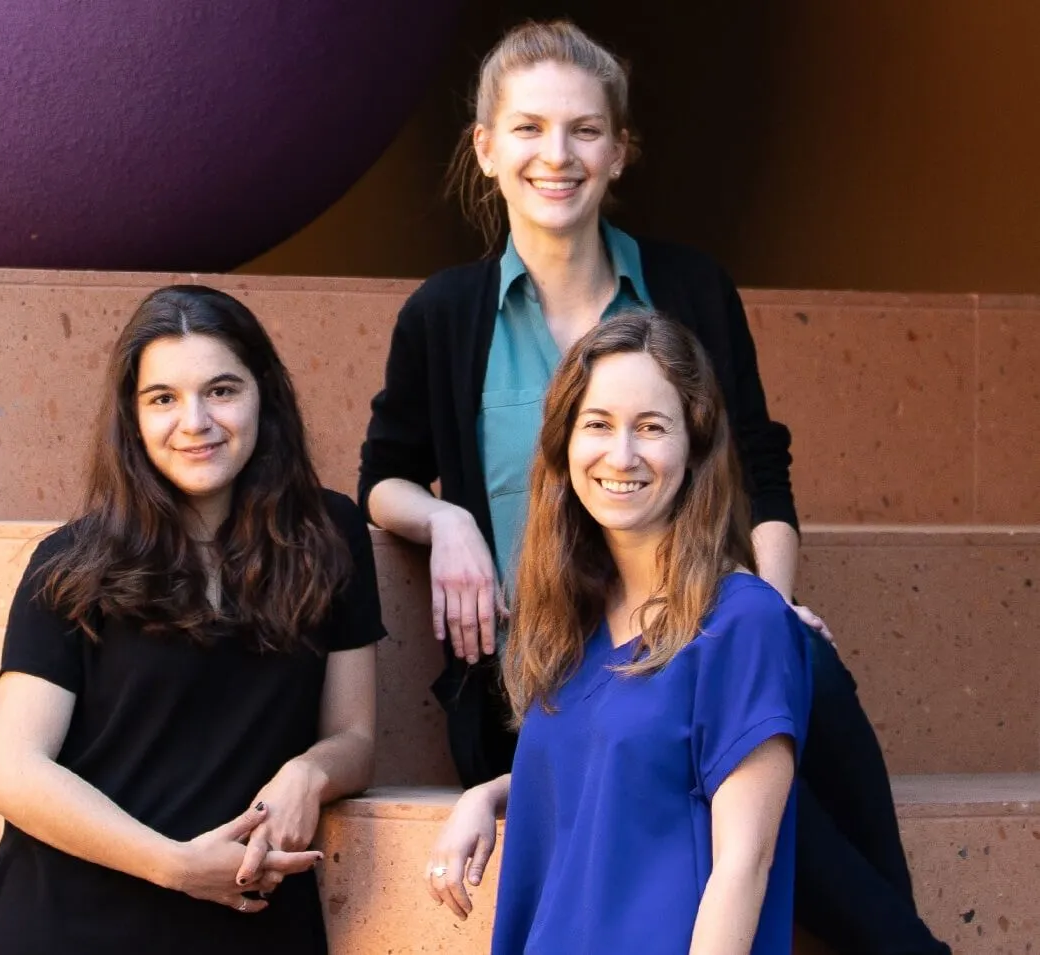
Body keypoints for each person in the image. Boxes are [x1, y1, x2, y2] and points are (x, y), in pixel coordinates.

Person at [362, 20, 947, 953]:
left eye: (586, 129)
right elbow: (380, 478)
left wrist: (763, 608)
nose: (557, 155)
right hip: (554, 666)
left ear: (621, 150)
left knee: (788, 714)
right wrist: (448, 519)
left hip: (698, 631)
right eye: (527, 128)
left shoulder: (689, 287)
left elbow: (757, 466)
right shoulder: (444, 313)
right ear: (483, 148)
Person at [0, 285, 384, 954]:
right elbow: (14, 771)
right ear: (132, 417)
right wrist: (176, 866)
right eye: (163, 398)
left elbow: (355, 737)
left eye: (221, 390)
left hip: (247, 925)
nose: (195, 422)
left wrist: (310, 771)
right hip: (70, 924)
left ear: (264, 397)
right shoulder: (72, 563)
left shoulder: (328, 536)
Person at [426, 312, 810, 953]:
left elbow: (745, 866)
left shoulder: (743, 623)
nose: (622, 455)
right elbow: (617, 769)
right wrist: (488, 796)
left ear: (694, 445)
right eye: (597, 424)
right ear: (564, 443)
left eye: (652, 427)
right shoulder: (570, 619)